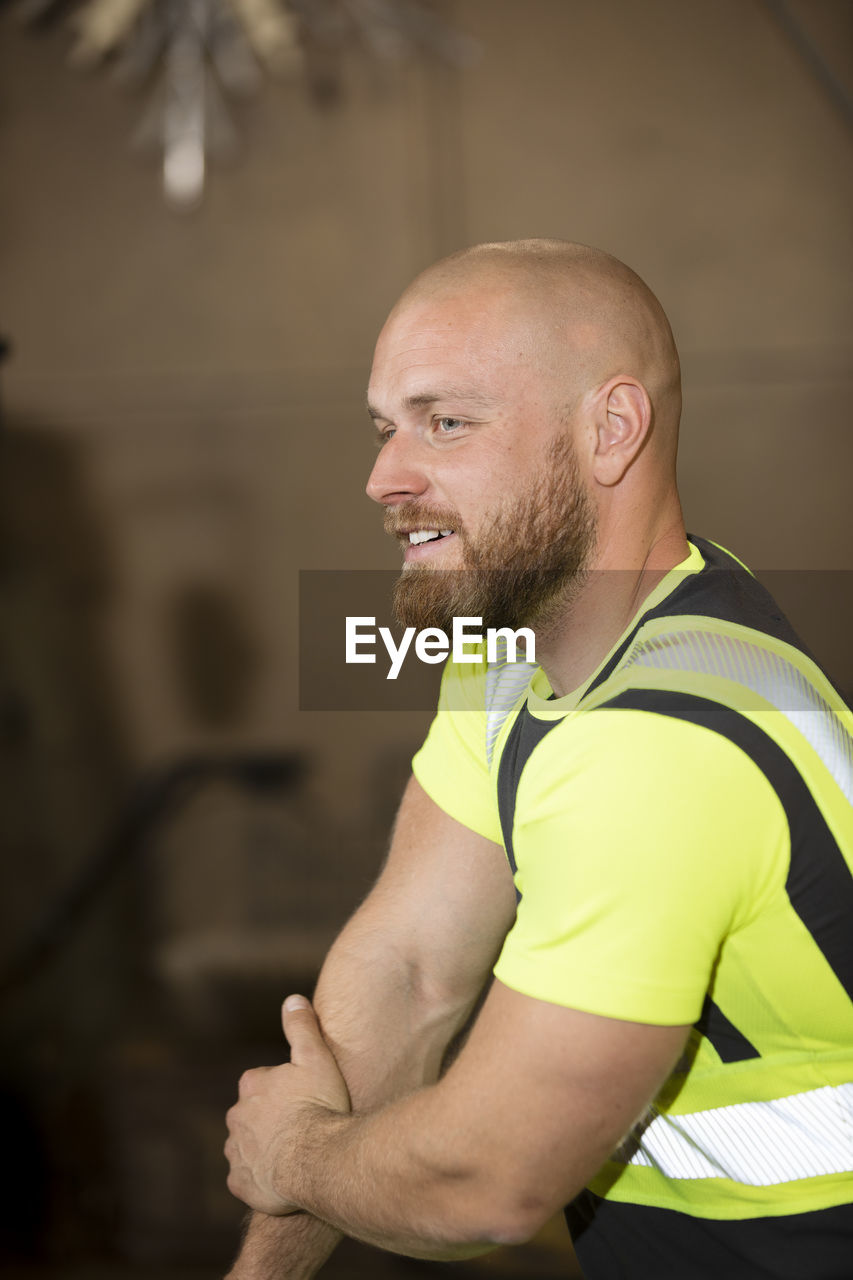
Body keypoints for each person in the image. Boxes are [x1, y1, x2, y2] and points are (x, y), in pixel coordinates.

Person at [224, 240, 853, 1278]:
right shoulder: (522, 648)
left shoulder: (658, 750)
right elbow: (412, 967)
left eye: (446, 421)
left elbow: (492, 1179)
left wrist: (294, 1150)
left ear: (609, 429)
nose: (384, 476)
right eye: (385, 427)